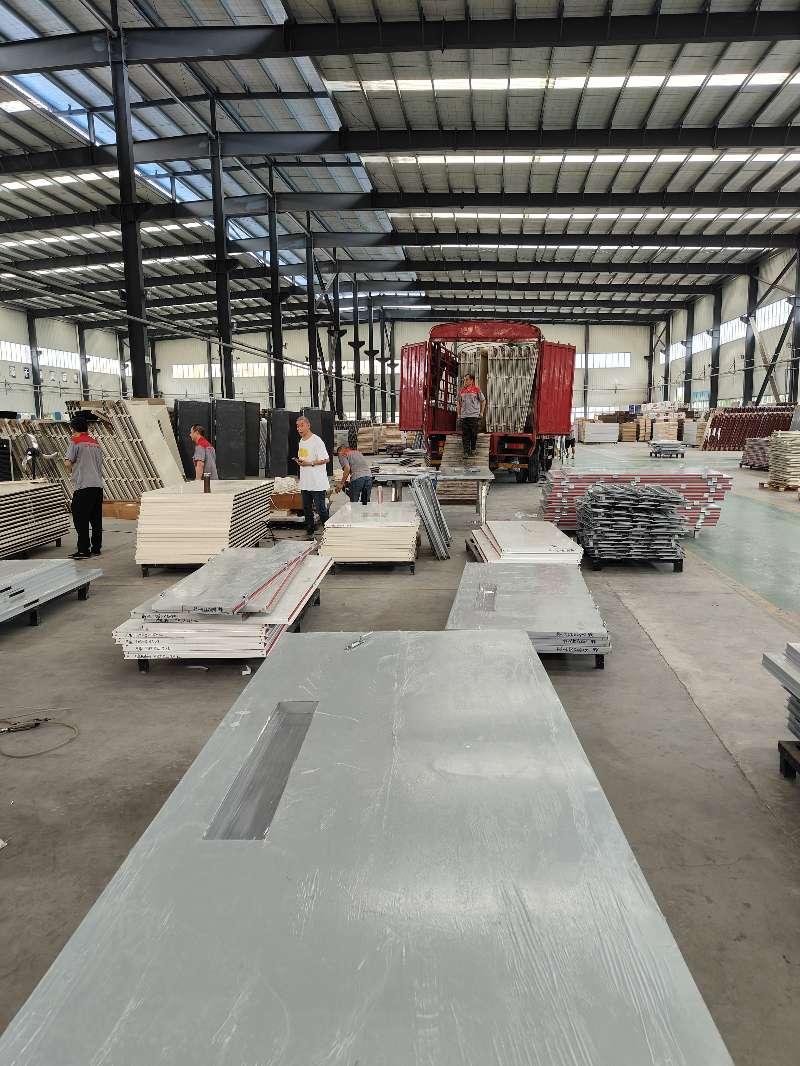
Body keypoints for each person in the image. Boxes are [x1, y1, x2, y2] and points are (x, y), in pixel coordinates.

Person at [65, 411, 103, 559]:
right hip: (97, 486)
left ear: (73, 428)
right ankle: (96, 548)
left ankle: (83, 550)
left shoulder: (75, 441)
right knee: (95, 519)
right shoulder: (95, 443)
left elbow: (68, 462)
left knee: (80, 519)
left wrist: (71, 467)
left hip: (83, 485)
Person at [295, 415, 330, 538]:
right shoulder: (301, 441)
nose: (299, 429)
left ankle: (329, 530)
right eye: (297, 426)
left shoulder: (317, 441)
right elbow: (305, 457)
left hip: (317, 482)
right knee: (306, 508)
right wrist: (300, 462)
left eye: (302, 426)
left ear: (308, 425)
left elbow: (326, 459)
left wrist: (309, 463)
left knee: (320, 508)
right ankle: (310, 531)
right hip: (305, 482)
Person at [456, 373, 486, 458]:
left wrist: (481, 412)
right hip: (464, 416)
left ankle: (473, 449)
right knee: (465, 435)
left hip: (474, 416)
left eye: (467, 380)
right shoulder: (462, 391)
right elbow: (458, 402)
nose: (465, 381)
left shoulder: (476, 390)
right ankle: (466, 452)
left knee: (473, 434)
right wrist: (459, 414)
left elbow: (483, 401)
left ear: (471, 380)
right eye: (464, 380)